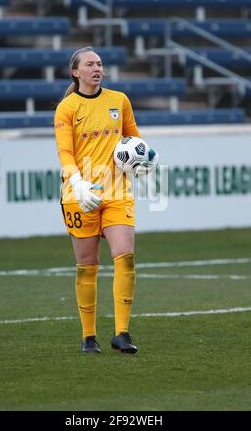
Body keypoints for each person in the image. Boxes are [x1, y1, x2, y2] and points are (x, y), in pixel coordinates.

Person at [54, 46, 158, 354]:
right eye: (90, 64)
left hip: (117, 191)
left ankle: (122, 333)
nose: (97, 68)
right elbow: (65, 153)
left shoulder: (120, 100)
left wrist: (142, 163)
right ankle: (88, 337)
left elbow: (135, 139)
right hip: (79, 194)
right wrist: (77, 183)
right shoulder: (66, 108)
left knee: (125, 255)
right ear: (76, 72)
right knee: (87, 265)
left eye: (99, 63)